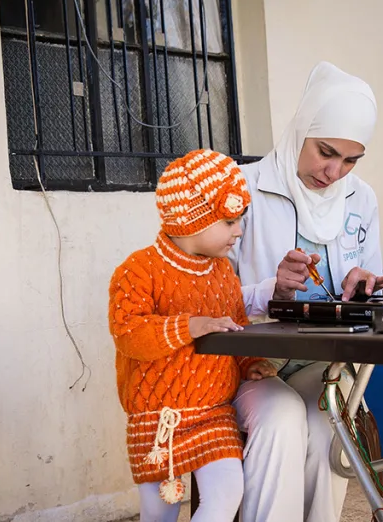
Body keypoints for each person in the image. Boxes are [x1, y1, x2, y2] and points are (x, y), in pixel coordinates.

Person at [228, 62, 383, 522]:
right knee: (282, 420)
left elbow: (370, 297)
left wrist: (362, 288)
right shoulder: (243, 189)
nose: (334, 170)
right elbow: (205, 297)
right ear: (302, 127)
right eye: (326, 152)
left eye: (349, 160)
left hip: (327, 360)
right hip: (249, 364)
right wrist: (271, 288)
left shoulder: (360, 198)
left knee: (329, 424)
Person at [108, 149, 281, 522]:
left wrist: (249, 361)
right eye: (230, 221)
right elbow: (129, 333)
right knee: (159, 514)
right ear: (191, 219)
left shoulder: (223, 274)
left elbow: (237, 324)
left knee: (226, 495)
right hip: (158, 421)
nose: (238, 231)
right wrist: (189, 326)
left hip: (213, 414)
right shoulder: (138, 271)